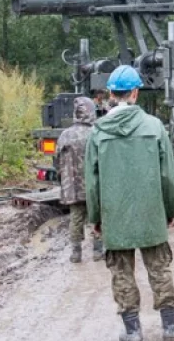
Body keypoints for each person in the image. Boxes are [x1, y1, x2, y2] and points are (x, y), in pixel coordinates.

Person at [85, 65, 174, 341]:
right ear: (135, 93)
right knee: (159, 268)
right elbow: (168, 175)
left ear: (110, 94)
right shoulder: (154, 127)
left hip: (114, 216)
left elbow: (92, 182)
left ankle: (133, 332)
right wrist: (171, 210)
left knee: (121, 273)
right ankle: (170, 328)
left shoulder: (97, 132)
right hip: (151, 211)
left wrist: (95, 218)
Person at [54, 96, 103, 263]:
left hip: (72, 186)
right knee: (96, 217)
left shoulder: (65, 135)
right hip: (93, 185)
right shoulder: (96, 133)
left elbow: (57, 161)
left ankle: (76, 252)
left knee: (75, 218)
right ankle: (97, 250)